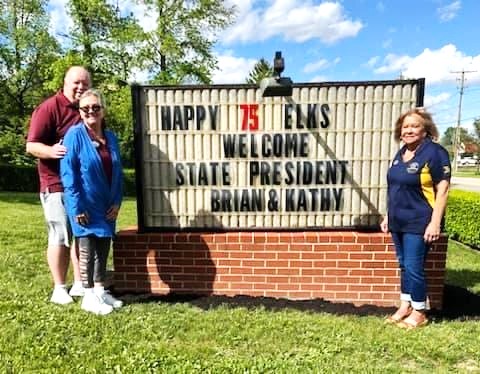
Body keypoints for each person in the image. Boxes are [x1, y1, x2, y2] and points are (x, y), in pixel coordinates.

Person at [380, 108, 450, 329]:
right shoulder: (400, 154)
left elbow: (443, 189)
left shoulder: (434, 153)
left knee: (413, 265)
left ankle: (419, 311)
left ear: (425, 129)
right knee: (404, 265)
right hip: (398, 221)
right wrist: (388, 215)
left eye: (415, 126)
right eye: (405, 126)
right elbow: (396, 188)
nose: (409, 130)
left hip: (420, 221)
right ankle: (405, 305)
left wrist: (435, 222)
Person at [26, 66, 91, 304]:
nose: (81, 87)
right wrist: (52, 151)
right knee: (60, 234)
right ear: (65, 83)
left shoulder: (86, 109)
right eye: (76, 83)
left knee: (81, 235)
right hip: (56, 185)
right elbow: (31, 146)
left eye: (85, 83)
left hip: (82, 186)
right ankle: (59, 288)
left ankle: (80, 284)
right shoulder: (49, 108)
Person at [60, 89, 124, 315]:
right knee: (87, 250)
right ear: (80, 111)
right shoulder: (74, 135)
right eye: (85, 108)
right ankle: (88, 295)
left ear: (103, 110)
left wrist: (117, 202)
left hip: (107, 205)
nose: (90, 112)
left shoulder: (111, 137)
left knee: (103, 248)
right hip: (84, 205)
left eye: (95, 107)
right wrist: (76, 207)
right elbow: (68, 174)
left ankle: (100, 291)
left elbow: (118, 172)